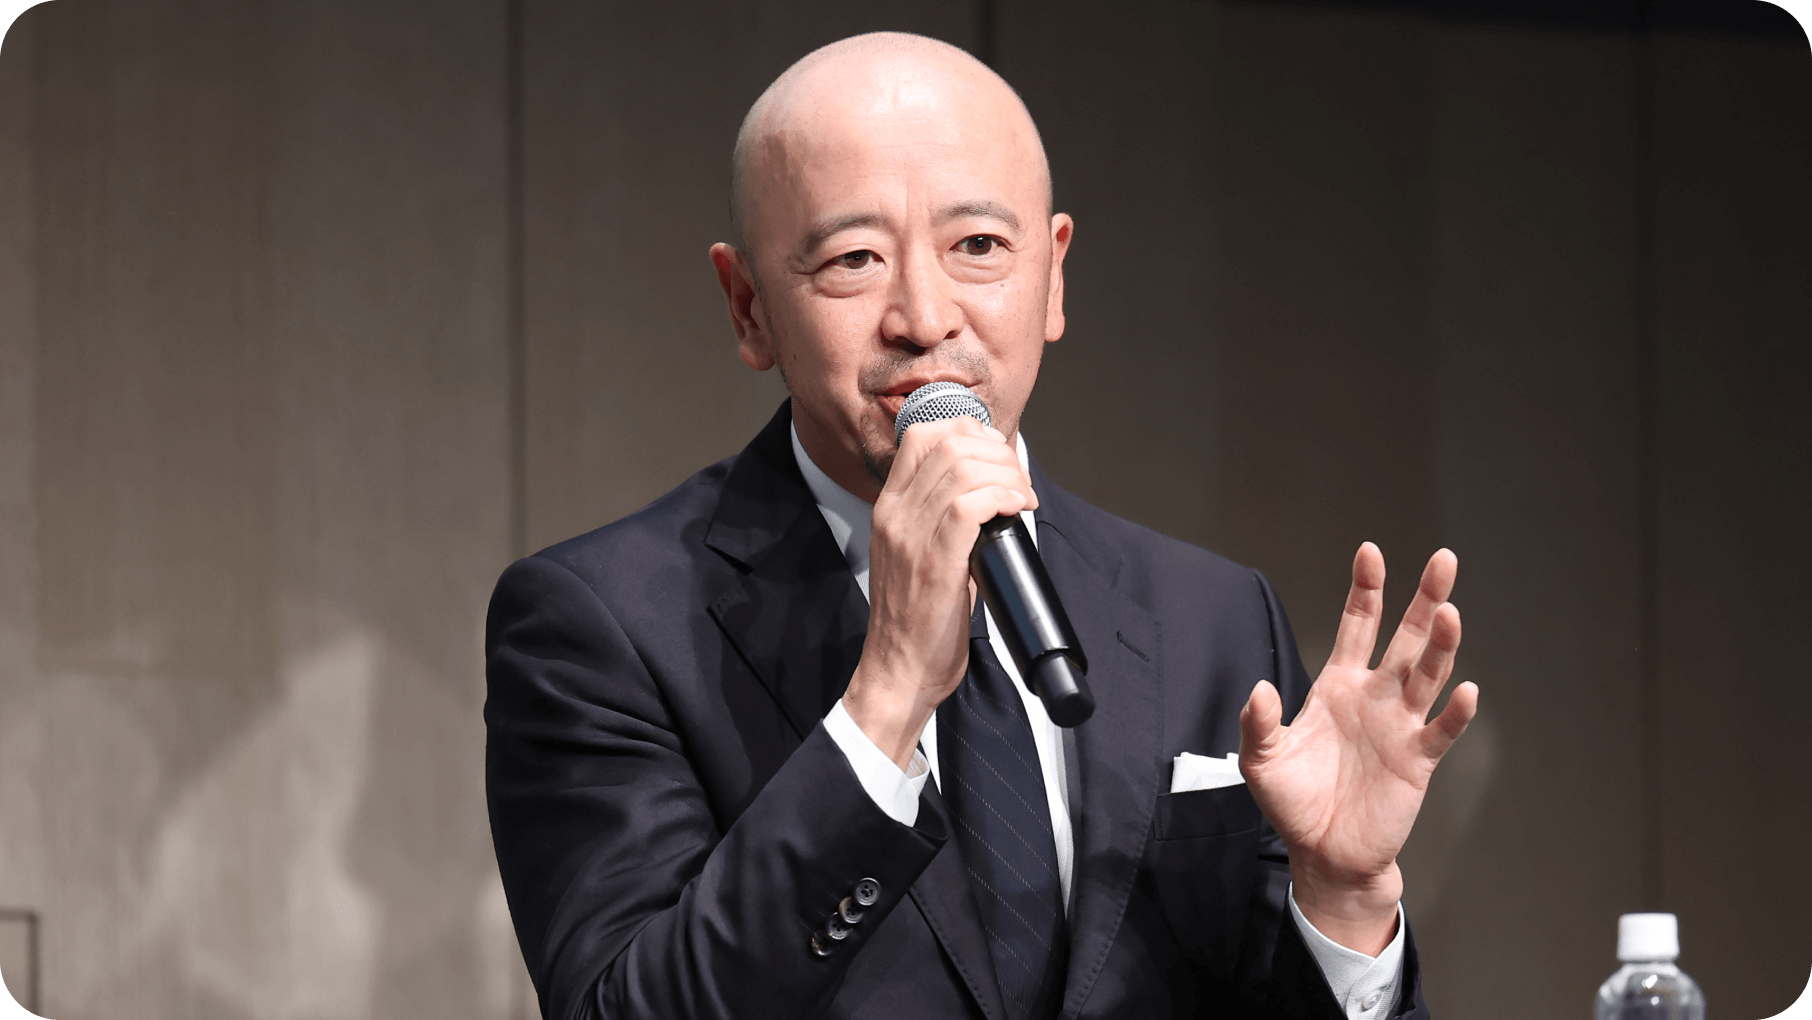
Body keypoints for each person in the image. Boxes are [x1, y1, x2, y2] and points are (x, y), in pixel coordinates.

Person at [485, 31, 1476, 1020]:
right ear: (749, 307)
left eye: (979, 248)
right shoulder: (602, 626)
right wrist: (885, 699)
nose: (924, 317)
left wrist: (1344, 903)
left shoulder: (1212, 617)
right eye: (854, 259)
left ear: (1054, 276)